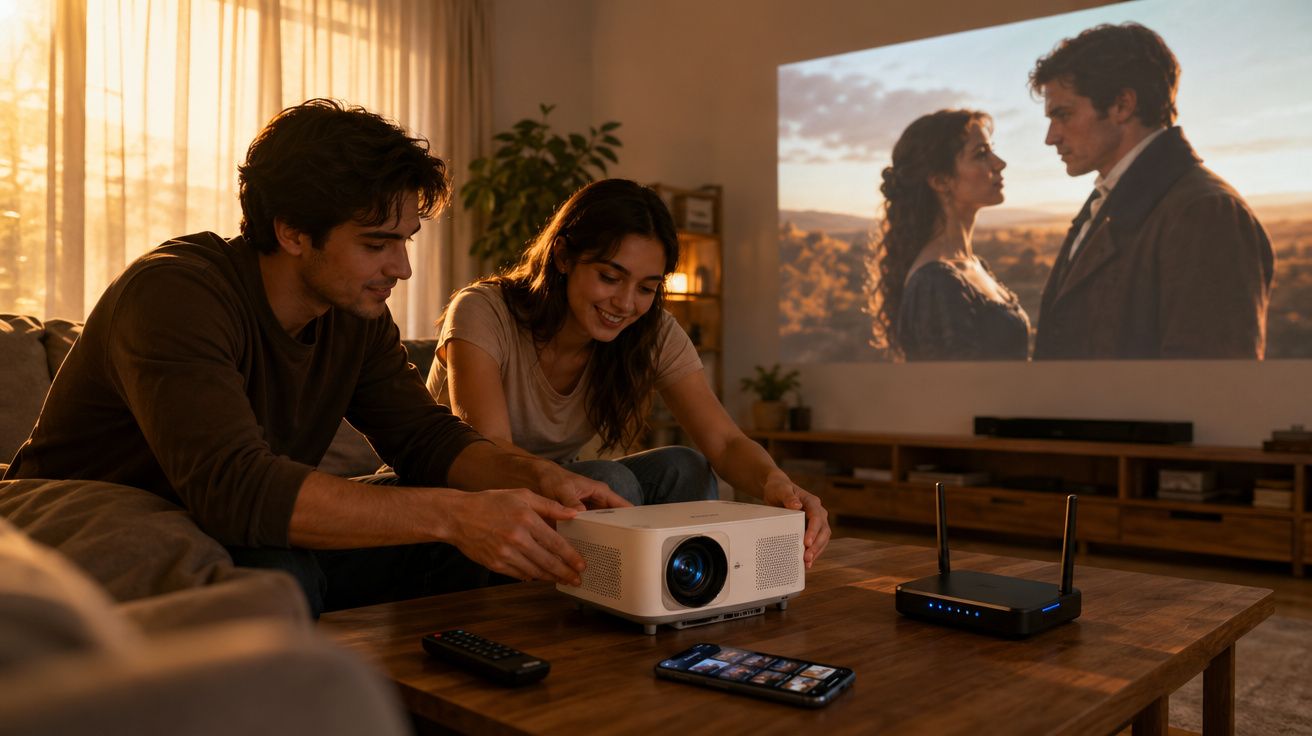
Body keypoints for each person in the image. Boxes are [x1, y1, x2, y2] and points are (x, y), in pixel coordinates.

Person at [4, 99, 632, 618]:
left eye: (405, 242)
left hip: (220, 522)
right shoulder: (175, 293)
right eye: (377, 243)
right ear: (293, 231)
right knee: (281, 573)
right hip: (80, 523)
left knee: (490, 539)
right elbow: (235, 488)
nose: (402, 268)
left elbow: (424, 438)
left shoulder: (353, 315)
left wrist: (535, 478)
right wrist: (459, 516)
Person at [426, 178, 830, 565]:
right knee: (610, 480)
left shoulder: (650, 331)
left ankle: (690, 593)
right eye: (610, 277)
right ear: (563, 256)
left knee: (684, 466)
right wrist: (572, 481)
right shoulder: (483, 310)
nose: (625, 303)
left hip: (552, 482)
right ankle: (622, 599)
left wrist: (776, 483)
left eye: (646, 288)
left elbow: (724, 442)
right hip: (465, 486)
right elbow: (490, 449)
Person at [1029, 22, 1273, 360]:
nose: (1051, 137)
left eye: (1063, 114)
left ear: (1122, 105)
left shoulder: (1204, 211)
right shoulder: (1113, 200)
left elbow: (1210, 381)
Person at [869, 109, 1030, 361]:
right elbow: (952, 384)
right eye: (981, 154)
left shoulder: (973, 265)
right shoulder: (935, 283)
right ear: (940, 181)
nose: (999, 163)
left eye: (992, 151)